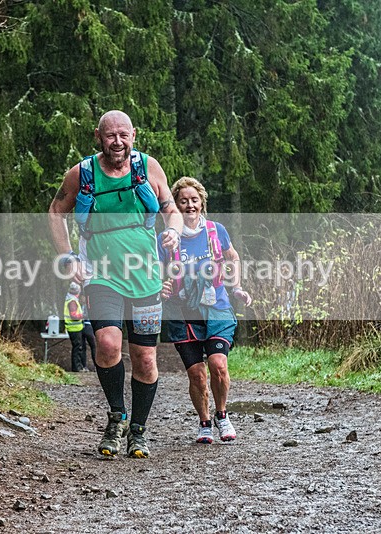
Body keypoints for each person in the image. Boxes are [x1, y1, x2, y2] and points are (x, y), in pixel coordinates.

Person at [49, 110, 182, 458]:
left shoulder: (148, 167)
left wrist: (173, 231)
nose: (118, 142)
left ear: (133, 135)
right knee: (108, 344)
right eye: (111, 136)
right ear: (98, 136)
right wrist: (67, 257)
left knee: (145, 359)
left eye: (124, 135)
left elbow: (170, 208)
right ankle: (116, 417)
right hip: (101, 273)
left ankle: (138, 430)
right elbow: (56, 211)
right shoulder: (82, 173)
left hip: (145, 276)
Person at [158, 177, 252, 444]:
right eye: (183, 201)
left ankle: (222, 415)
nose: (189, 205)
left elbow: (232, 257)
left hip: (217, 308)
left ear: (202, 203)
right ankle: (204, 422)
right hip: (182, 313)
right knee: (197, 374)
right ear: (175, 206)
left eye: (194, 200)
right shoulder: (166, 239)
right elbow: (156, 272)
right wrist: (161, 286)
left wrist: (236, 287)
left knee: (218, 365)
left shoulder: (215, 230)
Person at [64, 282, 95, 372]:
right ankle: (77, 368)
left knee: (79, 347)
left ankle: (79, 367)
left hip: (76, 327)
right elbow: (74, 316)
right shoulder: (72, 301)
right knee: (77, 348)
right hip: (74, 328)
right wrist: (83, 316)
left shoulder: (71, 299)